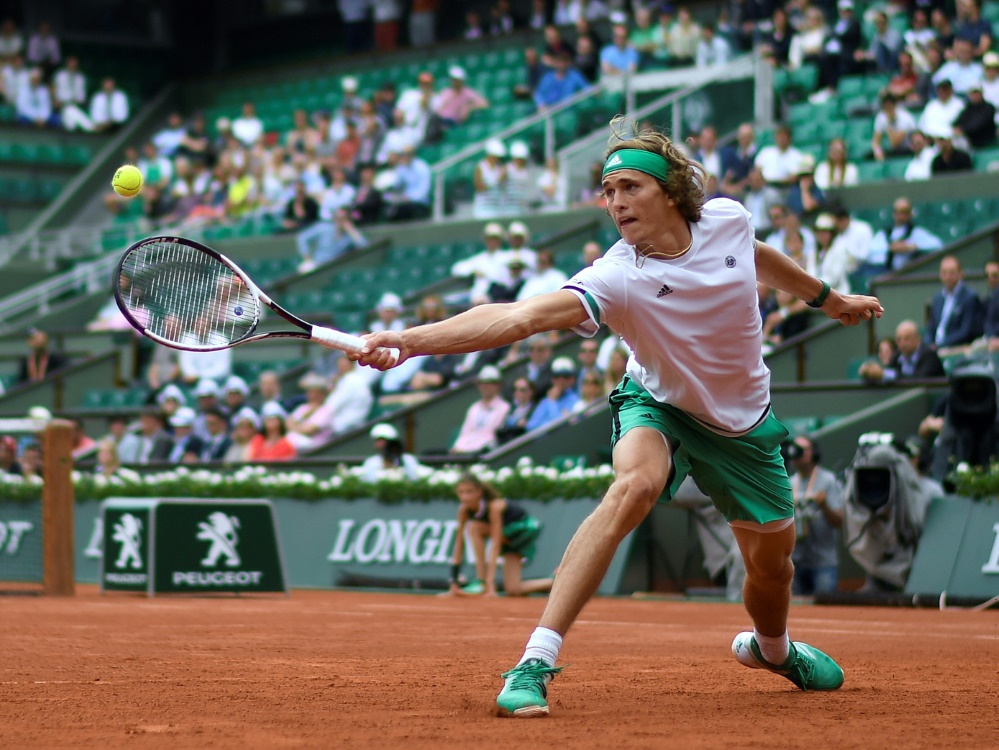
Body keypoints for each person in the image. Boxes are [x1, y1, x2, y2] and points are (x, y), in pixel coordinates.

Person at [357, 121, 883, 715]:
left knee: (773, 569)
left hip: (742, 424)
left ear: (671, 191)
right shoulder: (617, 276)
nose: (615, 203)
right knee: (634, 486)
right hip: (656, 401)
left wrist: (827, 299)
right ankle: (535, 661)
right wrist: (410, 340)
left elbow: (754, 256)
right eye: (608, 191)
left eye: (630, 187)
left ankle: (774, 650)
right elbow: (519, 317)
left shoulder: (728, 219)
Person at [446, 472, 554, 598]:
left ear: (479, 492)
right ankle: (555, 581)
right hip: (507, 539)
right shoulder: (463, 510)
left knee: (474, 527)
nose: (465, 497)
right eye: (461, 492)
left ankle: (481, 581)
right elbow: (459, 544)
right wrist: (453, 582)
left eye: (469, 492)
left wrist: (490, 584)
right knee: (514, 590)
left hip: (521, 533)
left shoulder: (495, 507)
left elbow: (495, 544)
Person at [787, 435, 844, 596]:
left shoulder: (828, 481)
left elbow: (839, 521)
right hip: (796, 561)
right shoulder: (789, 483)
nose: (796, 454)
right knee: (794, 607)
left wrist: (824, 505)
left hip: (823, 562)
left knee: (825, 606)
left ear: (813, 453)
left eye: (801, 450)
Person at [868, 198, 943, 274]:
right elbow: (870, 250)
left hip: (910, 273)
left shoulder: (916, 232)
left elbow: (938, 245)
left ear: (910, 214)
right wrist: (891, 247)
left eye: (904, 212)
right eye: (897, 212)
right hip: (887, 273)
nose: (900, 215)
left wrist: (912, 247)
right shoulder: (885, 233)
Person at [924, 255, 984, 350]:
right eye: (944, 273)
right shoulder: (937, 298)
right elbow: (931, 328)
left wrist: (940, 345)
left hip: (956, 348)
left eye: (952, 273)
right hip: (935, 348)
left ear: (960, 274)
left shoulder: (970, 298)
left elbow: (965, 332)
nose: (948, 277)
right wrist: (928, 344)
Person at [449, 365, 510, 455]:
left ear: (498, 385)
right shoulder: (474, 407)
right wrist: (457, 447)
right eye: (482, 383)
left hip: (483, 453)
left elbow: (491, 436)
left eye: (490, 383)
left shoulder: (504, 407)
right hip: (463, 452)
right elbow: (465, 432)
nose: (485, 386)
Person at [859, 320, 945, 383]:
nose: (902, 343)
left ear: (918, 339)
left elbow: (917, 381)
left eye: (907, 339)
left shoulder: (930, 356)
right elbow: (888, 371)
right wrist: (870, 372)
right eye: (899, 339)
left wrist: (883, 374)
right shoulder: (897, 356)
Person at [525, 356, 579, 430]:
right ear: (552, 379)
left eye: (566, 376)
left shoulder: (576, 401)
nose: (561, 380)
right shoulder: (546, 400)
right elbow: (530, 426)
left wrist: (552, 402)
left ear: (572, 379)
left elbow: (561, 427)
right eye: (557, 376)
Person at [360, 423, 424, 482]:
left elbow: (414, 479)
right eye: (378, 440)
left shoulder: (408, 460)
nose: (380, 444)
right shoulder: (371, 462)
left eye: (383, 440)